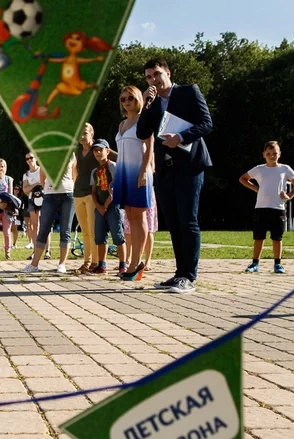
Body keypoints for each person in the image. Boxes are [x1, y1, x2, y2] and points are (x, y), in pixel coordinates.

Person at [136, 57, 213, 294]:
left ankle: (189, 276)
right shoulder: (152, 103)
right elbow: (141, 133)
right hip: (165, 169)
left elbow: (206, 123)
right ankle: (180, 273)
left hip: (189, 166)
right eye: (148, 77)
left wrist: (180, 137)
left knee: (188, 220)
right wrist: (145, 105)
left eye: (157, 74)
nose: (153, 80)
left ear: (168, 73)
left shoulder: (189, 92)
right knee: (174, 223)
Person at [238, 140, 294, 274]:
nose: (272, 156)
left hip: (278, 207)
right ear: (264, 155)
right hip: (261, 207)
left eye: (274, 153)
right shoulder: (259, 169)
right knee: (259, 237)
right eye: (268, 154)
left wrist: (289, 196)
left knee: (277, 237)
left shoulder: (285, 169)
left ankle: (277, 264)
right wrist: (256, 188)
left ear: (279, 154)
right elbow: (243, 178)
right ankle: (255, 263)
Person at [113, 85, 154, 281]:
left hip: (139, 172)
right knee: (130, 217)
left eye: (130, 98)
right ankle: (133, 263)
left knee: (139, 216)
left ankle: (137, 263)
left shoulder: (143, 120)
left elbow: (150, 146)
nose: (127, 101)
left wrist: (144, 171)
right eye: (123, 99)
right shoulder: (122, 124)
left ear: (138, 99)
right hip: (123, 173)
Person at [73, 123, 118, 275]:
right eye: (79, 133)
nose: (82, 136)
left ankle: (96, 263)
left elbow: (117, 158)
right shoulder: (77, 151)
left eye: (85, 133)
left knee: (93, 230)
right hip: (77, 193)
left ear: (92, 134)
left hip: (92, 193)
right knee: (85, 231)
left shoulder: (98, 148)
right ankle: (86, 262)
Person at [22, 154, 76, 273]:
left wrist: (69, 188)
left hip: (68, 195)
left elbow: (74, 175)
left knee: (65, 230)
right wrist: (48, 189)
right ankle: (34, 264)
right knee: (43, 229)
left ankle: (62, 264)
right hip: (50, 195)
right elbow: (42, 177)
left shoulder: (71, 153)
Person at [89, 139, 126, 274]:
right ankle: (102, 264)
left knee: (118, 235)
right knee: (100, 237)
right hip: (99, 206)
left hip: (113, 205)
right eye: (95, 150)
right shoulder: (94, 171)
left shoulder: (114, 167)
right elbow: (93, 191)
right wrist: (98, 205)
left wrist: (105, 205)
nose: (98, 153)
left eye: (101, 150)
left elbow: (116, 188)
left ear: (107, 151)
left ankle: (123, 265)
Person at [22, 152, 43, 256]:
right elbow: (25, 190)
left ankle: (47, 250)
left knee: (45, 225)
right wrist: (36, 185)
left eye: (31, 158)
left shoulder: (42, 170)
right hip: (32, 200)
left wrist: (33, 186)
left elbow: (45, 184)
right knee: (34, 226)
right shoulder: (26, 174)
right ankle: (36, 249)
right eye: (27, 159)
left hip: (44, 199)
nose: (29, 160)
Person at [12, 182, 27, 249]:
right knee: (9, 229)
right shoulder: (10, 196)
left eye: (18, 189)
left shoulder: (21, 198)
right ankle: (9, 243)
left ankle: (14, 244)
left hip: (17, 216)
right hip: (9, 214)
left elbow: (21, 208)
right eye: (15, 189)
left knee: (14, 229)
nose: (16, 190)